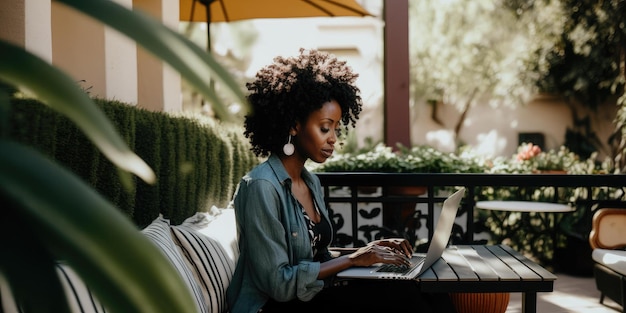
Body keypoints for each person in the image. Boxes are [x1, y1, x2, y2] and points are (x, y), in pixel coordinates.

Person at [226, 48, 456, 313]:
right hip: (274, 306)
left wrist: (368, 251)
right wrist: (354, 260)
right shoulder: (261, 187)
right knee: (402, 297)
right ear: (293, 125)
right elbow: (279, 283)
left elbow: (317, 257)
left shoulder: (310, 183)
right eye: (325, 127)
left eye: (336, 128)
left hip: (311, 296)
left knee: (425, 288)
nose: (333, 138)